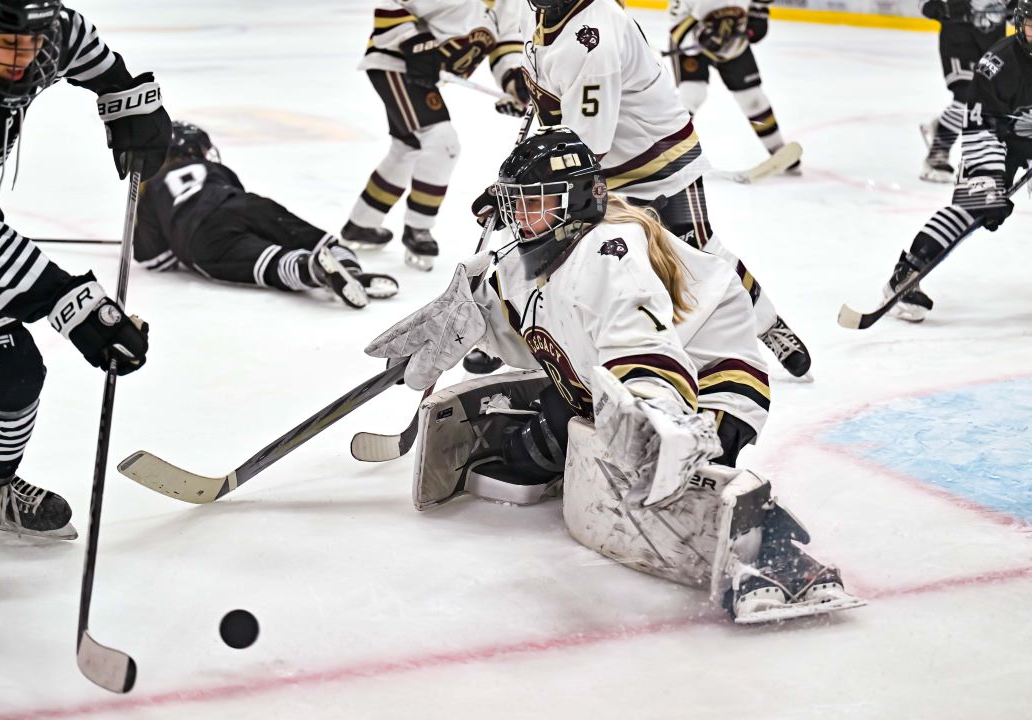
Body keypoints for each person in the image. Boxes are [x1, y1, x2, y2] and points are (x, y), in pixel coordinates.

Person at [366, 127, 864, 622]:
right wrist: (470, 318)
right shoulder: (527, 258)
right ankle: (550, 436)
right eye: (515, 205)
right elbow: (536, 331)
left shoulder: (609, 252)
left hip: (710, 378)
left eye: (533, 204)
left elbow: (643, 349)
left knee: (662, 477)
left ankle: (774, 555)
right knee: (535, 449)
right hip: (607, 375)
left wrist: (656, 418)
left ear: (577, 201)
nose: (520, 220)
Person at [501, 0, 811, 377]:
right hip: (599, 164)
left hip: (658, 159)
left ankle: (768, 324)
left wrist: (530, 184)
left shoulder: (593, 36)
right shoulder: (540, 15)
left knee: (699, 252)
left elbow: (586, 143)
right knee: (573, 250)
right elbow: (559, 95)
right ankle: (521, 333)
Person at [0, 0, 169, 539]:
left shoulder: (44, 33)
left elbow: (77, 42)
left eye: (30, 44)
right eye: (3, 44)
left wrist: (125, 96)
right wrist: (70, 303)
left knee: (13, 373)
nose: (21, 61)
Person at [882, 0, 1032, 321]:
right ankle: (906, 272)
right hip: (1001, 139)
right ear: (1019, 22)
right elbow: (981, 127)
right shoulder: (996, 63)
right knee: (973, 205)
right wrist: (988, 181)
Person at [341, 0, 528, 270]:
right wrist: (415, 42)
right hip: (395, 63)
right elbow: (391, 5)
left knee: (407, 147)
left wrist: (513, 81)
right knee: (443, 144)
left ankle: (362, 223)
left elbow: (505, 44)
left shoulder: (508, 4)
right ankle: (419, 228)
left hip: (421, 76)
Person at [133, 122, 399, 308]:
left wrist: (168, 232)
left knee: (267, 262)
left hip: (200, 233)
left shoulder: (152, 186)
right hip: (246, 204)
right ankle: (348, 266)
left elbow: (155, 260)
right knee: (312, 238)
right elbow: (231, 199)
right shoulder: (212, 167)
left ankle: (309, 269)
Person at [667, 0, 799, 171]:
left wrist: (754, 25)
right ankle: (669, 152)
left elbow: (758, 13)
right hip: (693, 42)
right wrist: (704, 37)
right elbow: (678, 29)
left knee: (752, 99)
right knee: (692, 94)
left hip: (735, 42)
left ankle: (778, 150)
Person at [918, 0, 1010, 182]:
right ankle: (938, 153)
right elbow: (924, 5)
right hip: (958, 40)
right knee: (966, 97)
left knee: (992, 101)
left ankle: (943, 126)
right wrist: (941, 8)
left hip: (992, 44)